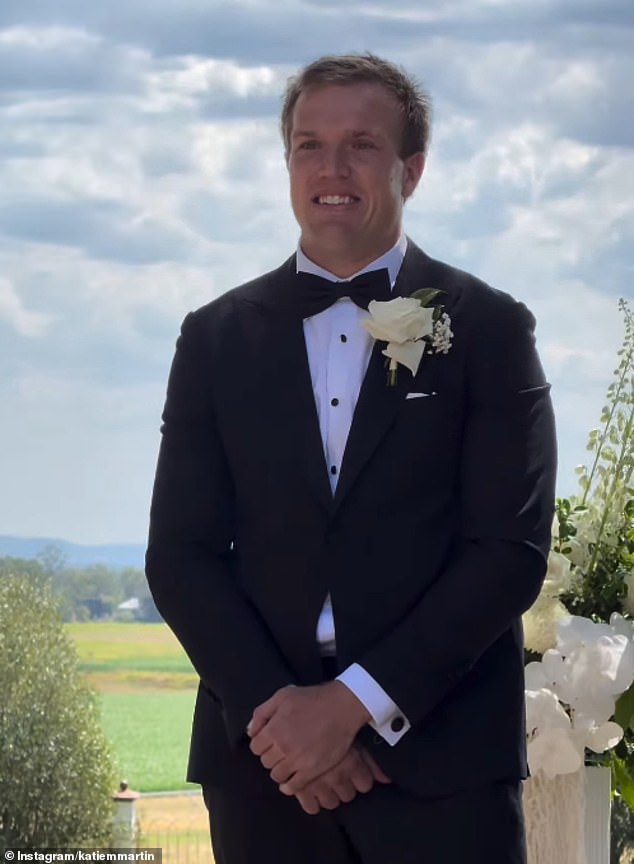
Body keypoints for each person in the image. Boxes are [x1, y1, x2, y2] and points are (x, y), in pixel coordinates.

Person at [145, 53, 557, 864]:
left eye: (361, 145)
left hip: (443, 771)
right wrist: (287, 723)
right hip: (266, 774)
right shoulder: (214, 337)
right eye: (308, 145)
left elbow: (507, 555)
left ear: (413, 169)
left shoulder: (490, 329)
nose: (331, 169)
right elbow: (181, 554)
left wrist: (353, 707)